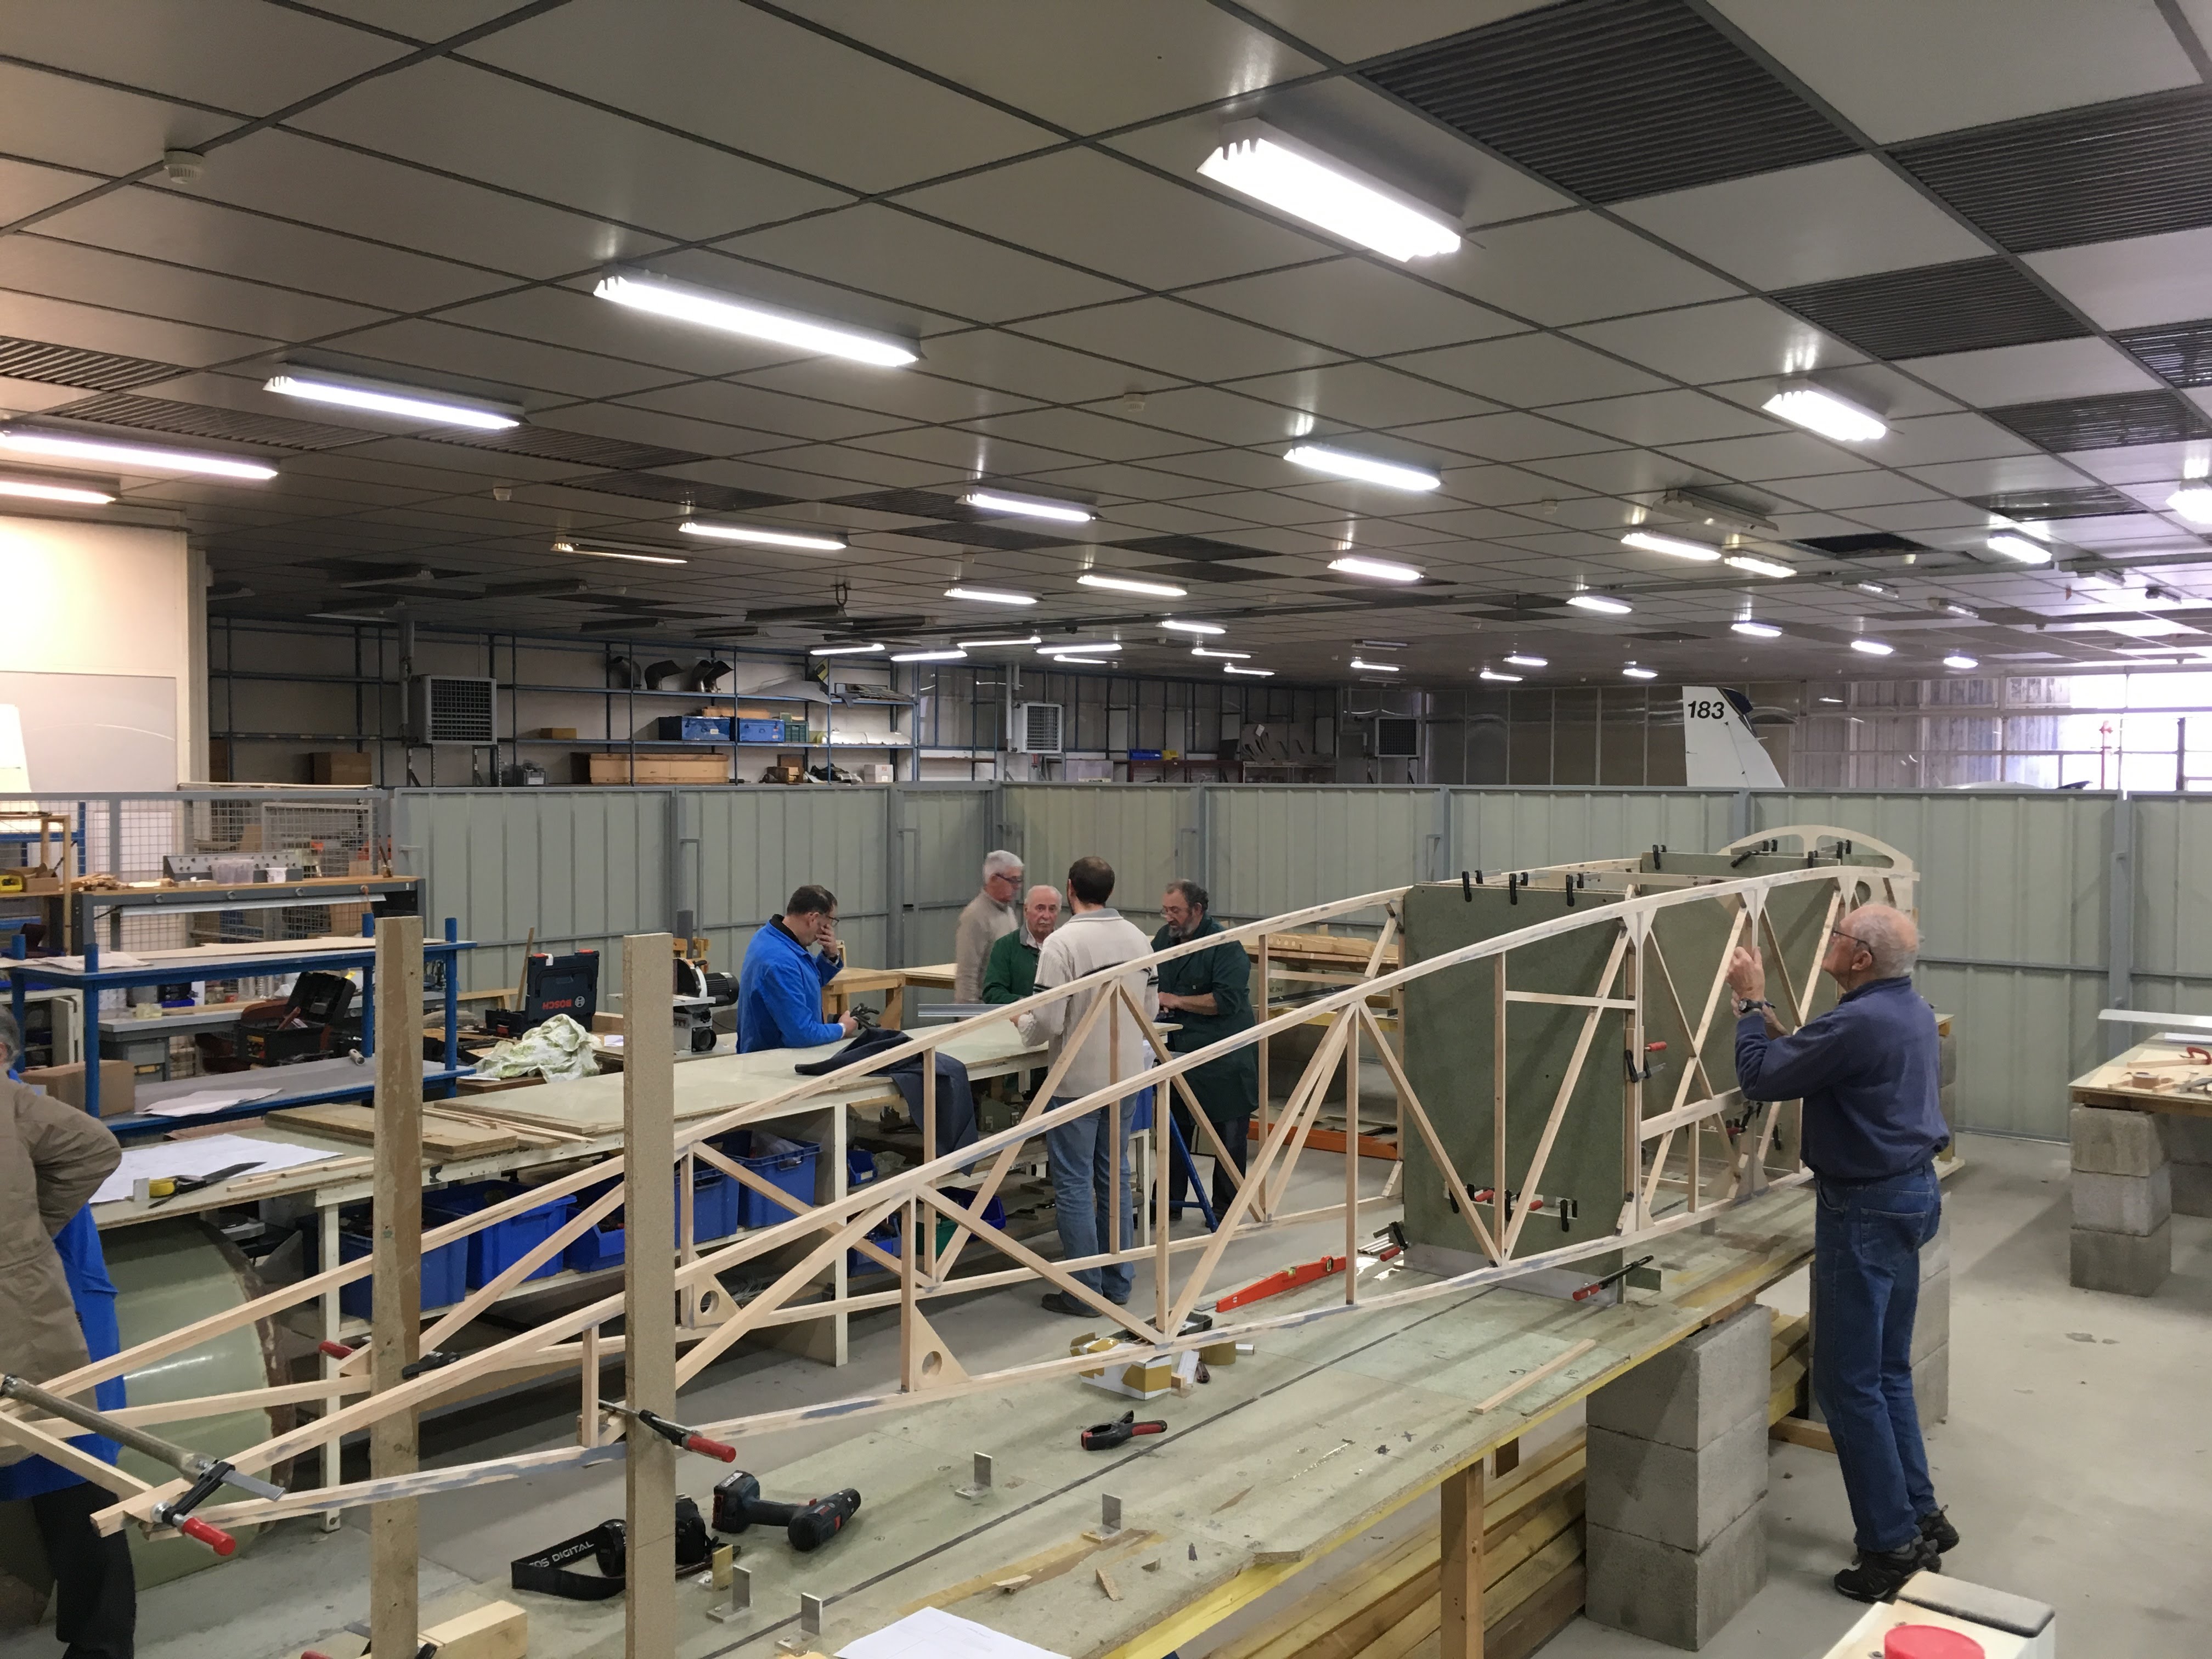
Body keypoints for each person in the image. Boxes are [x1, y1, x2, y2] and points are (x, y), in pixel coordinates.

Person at [1727, 904, 1954, 1603]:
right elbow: (1823, 1056)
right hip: (1911, 1194)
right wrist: (1779, 1027)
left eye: (1839, 935)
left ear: (1860, 958)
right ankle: (1922, 1515)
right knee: (1885, 1369)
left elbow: (1761, 1079)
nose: (1830, 940)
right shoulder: (1907, 1010)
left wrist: (1748, 1005)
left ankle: (1890, 1547)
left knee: (1846, 1384)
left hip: (1865, 1207)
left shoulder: (1858, 1022)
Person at [0, 1009, 135, 1659]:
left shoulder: (19, 1109)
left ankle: (102, 1645)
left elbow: (91, 1151)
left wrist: (28, 1243)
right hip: (35, 1298)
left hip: (55, 1307)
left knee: (76, 1474)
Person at [1016, 856, 1157, 1313]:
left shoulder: (1062, 943)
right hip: (1125, 1077)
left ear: (1070, 889)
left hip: (1076, 1080)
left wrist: (1022, 1024)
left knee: (1075, 1183)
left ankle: (1083, 1290)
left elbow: (1048, 1021)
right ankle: (1118, 1281)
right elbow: (1150, 1011)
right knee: (1115, 1176)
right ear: (1110, 891)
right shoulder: (1139, 939)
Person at [1153, 880, 1255, 1221]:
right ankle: (1167, 1204)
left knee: (1228, 1136)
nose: (1169, 917)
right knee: (1172, 1132)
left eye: (1176, 911)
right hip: (1177, 1051)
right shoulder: (1164, 939)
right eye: (1165, 910)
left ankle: (1226, 1210)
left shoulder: (1225, 946)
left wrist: (1176, 1000)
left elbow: (1226, 1000)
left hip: (1223, 1055)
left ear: (1197, 910)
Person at [738, 885, 859, 1053]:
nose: (827, 931)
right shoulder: (780, 962)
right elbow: (802, 1034)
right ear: (813, 919)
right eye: (827, 924)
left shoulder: (770, 937)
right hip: (775, 1061)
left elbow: (804, 983)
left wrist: (830, 956)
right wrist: (842, 1028)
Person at [953, 850, 1023, 1003]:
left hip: (1005, 1003)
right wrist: (969, 1014)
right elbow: (967, 974)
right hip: (984, 1008)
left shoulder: (1008, 912)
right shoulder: (975, 917)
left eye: (1019, 880)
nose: (1018, 886)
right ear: (994, 879)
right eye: (1013, 880)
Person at [981, 885, 1060, 1005]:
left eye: (1052, 909)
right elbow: (993, 992)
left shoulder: (1066, 947)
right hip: (1018, 1015)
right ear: (1026, 910)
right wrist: (1024, 1004)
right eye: (1040, 909)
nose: (1046, 916)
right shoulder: (1005, 947)